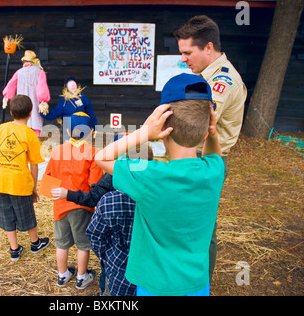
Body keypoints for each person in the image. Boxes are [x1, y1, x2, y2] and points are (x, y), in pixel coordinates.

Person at [95, 73, 225, 296]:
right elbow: (215, 157)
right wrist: (212, 132)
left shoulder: (149, 176)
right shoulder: (214, 172)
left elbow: (102, 157)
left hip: (154, 286)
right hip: (197, 285)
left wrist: (145, 131)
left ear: (164, 128)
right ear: (206, 131)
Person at [173, 15, 247, 278]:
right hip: (195, 155)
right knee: (189, 221)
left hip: (206, 158)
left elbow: (198, 125)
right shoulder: (206, 76)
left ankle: (199, 283)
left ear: (208, 47)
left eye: (187, 52)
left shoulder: (222, 82)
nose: (183, 58)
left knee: (202, 227)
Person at [43, 112, 103, 290]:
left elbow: (47, 180)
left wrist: (56, 197)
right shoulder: (93, 153)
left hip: (60, 205)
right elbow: (94, 185)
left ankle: (62, 275)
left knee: (62, 243)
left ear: (68, 131)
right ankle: (81, 277)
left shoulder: (57, 151)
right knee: (83, 245)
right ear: (91, 131)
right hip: (81, 205)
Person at [0, 95, 50, 262]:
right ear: (30, 113)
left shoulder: (0, 129)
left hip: (0, 182)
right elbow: (34, 165)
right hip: (20, 183)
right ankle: (35, 243)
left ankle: (14, 249)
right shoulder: (30, 135)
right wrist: (34, 187)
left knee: (6, 215)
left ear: (11, 112)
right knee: (26, 214)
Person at [86, 143, 154, 297]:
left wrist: (106, 257)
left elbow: (95, 236)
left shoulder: (110, 200)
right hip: (151, 272)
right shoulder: (161, 198)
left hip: (118, 271)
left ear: (126, 163)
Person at [2, 50, 51, 137]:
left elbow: (11, 85)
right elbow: (42, 88)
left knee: (21, 120)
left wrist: (6, 96)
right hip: (34, 102)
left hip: (21, 102)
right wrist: (43, 100)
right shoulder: (40, 72)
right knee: (34, 121)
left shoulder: (19, 72)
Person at [39, 76, 97, 142]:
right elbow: (54, 114)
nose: (72, 85)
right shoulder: (64, 101)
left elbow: (91, 113)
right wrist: (43, 111)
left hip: (82, 129)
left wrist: (95, 127)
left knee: (82, 148)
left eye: (73, 83)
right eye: (70, 83)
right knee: (68, 149)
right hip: (68, 131)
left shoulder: (83, 98)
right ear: (67, 87)